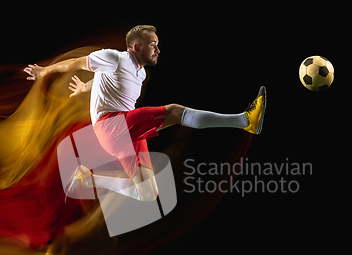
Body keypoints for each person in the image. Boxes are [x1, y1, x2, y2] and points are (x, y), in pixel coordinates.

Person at [24, 24, 266, 205]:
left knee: (149, 194)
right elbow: (76, 63)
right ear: (137, 47)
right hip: (112, 125)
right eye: (153, 45)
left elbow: (107, 81)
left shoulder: (139, 74)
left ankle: (89, 180)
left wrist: (85, 88)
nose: (158, 49)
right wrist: (44, 71)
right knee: (173, 111)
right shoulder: (113, 57)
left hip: (123, 133)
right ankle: (245, 120)